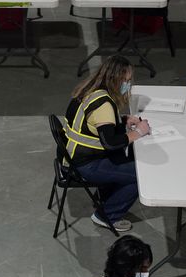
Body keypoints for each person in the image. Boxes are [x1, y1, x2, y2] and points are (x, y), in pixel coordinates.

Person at [64, 56, 151, 233]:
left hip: (72, 155)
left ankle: (105, 197)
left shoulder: (91, 88)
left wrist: (123, 120)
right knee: (140, 176)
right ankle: (107, 215)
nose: (127, 85)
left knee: (128, 161)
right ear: (114, 79)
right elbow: (110, 143)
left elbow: (95, 125)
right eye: (125, 81)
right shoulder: (103, 105)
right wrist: (138, 132)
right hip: (86, 164)